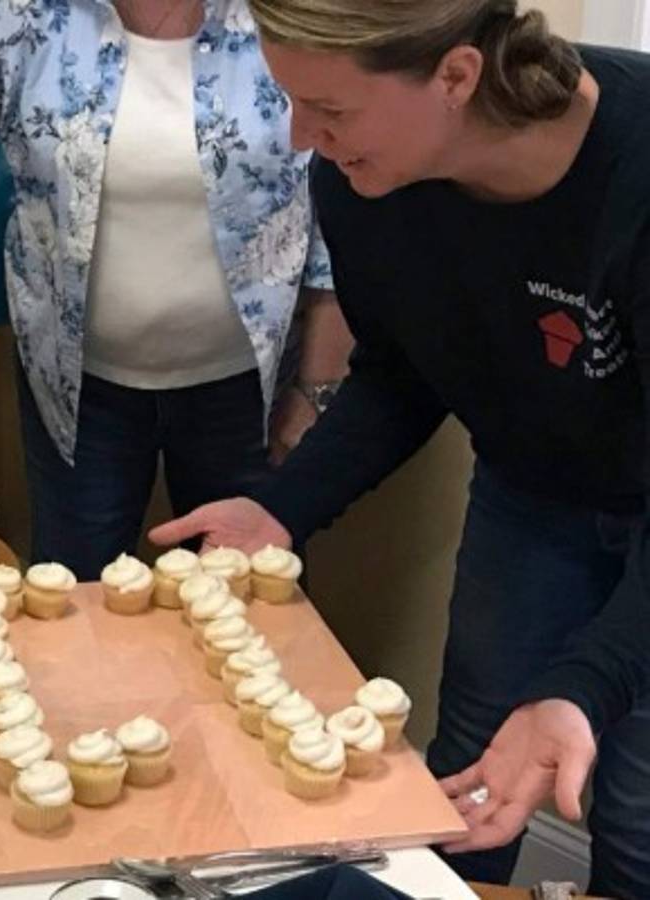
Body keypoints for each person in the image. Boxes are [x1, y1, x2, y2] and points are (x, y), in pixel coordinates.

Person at [151, 1, 650, 895]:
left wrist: (583, 686)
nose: (304, 137)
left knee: (636, 814)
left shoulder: (638, 171)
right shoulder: (363, 181)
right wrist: (284, 504)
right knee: (467, 774)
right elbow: (402, 373)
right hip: (531, 500)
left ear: (456, 77)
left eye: (330, 110)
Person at [0, 0, 353, 579]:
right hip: (79, 396)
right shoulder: (18, 13)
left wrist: (316, 394)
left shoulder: (289, 13)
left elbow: (337, 208)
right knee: (74, 607)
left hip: (249, 397)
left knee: (251, 610)